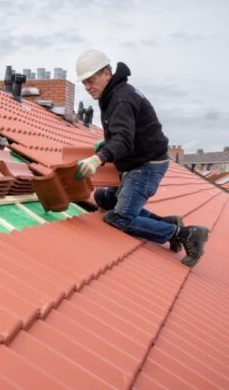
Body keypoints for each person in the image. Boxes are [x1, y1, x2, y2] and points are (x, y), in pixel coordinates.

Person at [74, 49, 209, 267]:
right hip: (138, 161)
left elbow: (125, 140)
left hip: (146, 167)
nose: (88, 87)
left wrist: (98, 158)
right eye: (84, 83)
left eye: (91, 80)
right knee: (103, 198)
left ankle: (185, 233)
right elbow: (125, 131)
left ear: (107, 74)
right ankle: (167, 223)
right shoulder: (115, 93)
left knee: (119, 219)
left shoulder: (120, 99)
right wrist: (107, 141)